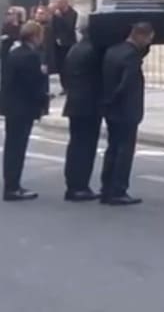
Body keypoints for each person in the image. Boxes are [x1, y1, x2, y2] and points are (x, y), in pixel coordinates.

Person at [98, 21, 154, 206]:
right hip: (126, 109)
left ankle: (106, 187)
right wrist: (117, 98)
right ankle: (118, 189)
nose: (147, 43)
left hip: (111, 108)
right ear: (140, 36)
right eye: (147, 39)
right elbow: (126, 83)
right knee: (124, 150)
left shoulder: (113, 50)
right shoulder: (131, 56)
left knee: (112, 148)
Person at [0, 21, 49, 201]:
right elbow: (32, 85)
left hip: (11, 105)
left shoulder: (14, 53)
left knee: (12, 147)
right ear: (35, 36)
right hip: (23, 107)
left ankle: (11, 185)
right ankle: (13, 187)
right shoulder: (31, 57)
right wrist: (44, 97)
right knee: (17, 149)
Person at [61, 22, 103, 201]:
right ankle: (79, 186)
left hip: (75, 102)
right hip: (89, 105)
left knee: (76, 145)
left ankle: (73, 185)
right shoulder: (94, 51)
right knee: (85, 147)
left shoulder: (75, 49)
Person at [0, 7, 23, 73]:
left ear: (16, 15)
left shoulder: (22, 25)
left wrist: (10, 37)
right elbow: (3, 36)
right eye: (7, 14)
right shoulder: (6, 25)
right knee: (5, 71)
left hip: (18, 52)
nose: (8, 16)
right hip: (6, 52)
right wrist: (11, 37)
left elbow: (21, 36)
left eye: (10, 14)